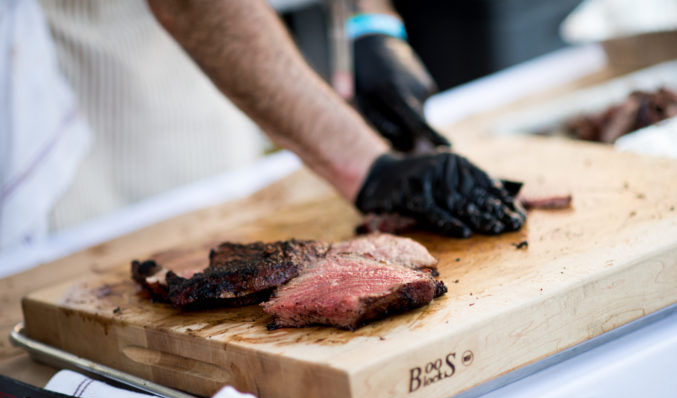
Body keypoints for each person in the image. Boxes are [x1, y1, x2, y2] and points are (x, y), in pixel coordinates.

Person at [1, 0, 524, 250]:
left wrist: (369, 21)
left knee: (238, 232)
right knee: (138, 264)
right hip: (110, 84)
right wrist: (364, 165)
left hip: (226, 70)